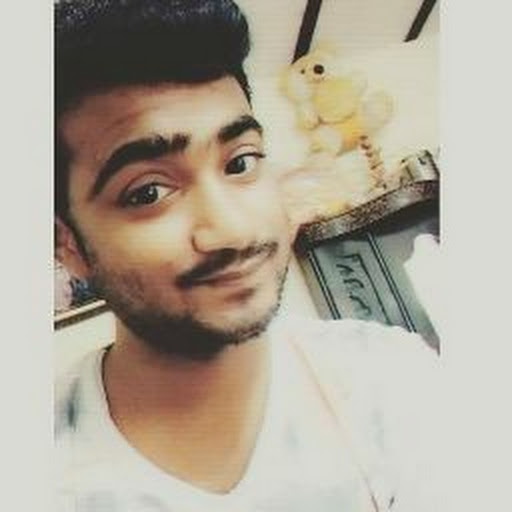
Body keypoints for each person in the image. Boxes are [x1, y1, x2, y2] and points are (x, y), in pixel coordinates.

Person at [54, 1, 443, 510]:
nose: (232, 229)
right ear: (66, 245)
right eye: (148, 192)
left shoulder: (393, 382)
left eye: (240, 163)